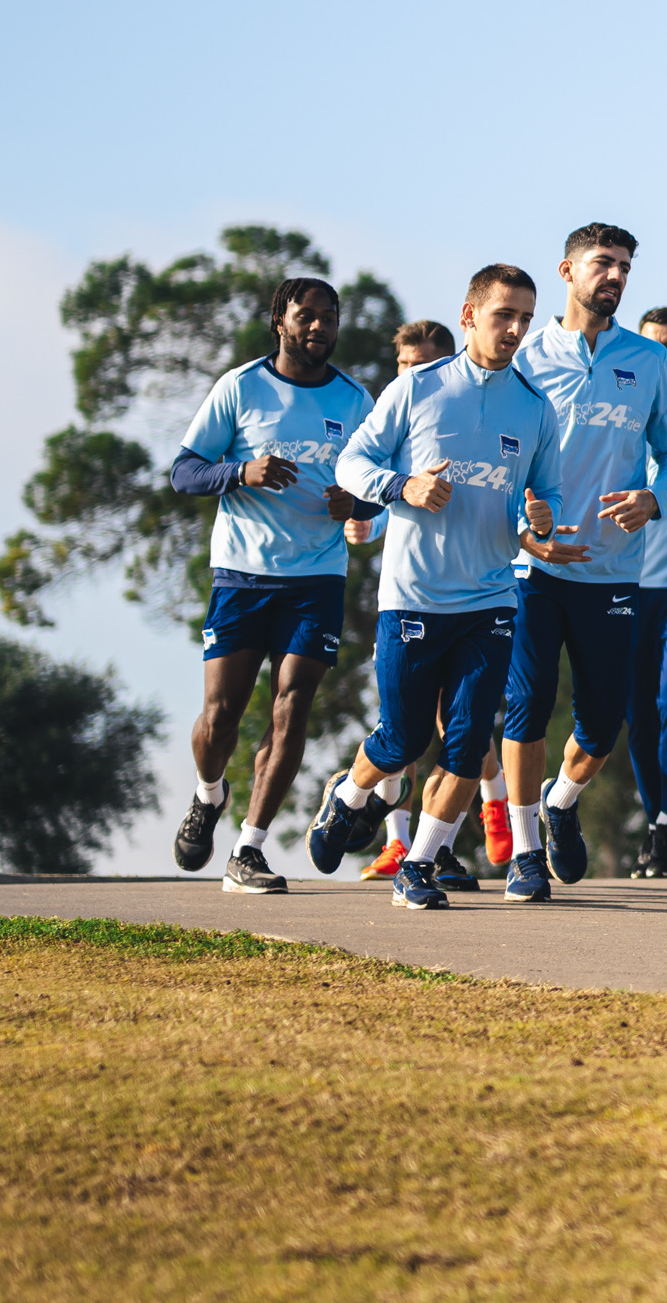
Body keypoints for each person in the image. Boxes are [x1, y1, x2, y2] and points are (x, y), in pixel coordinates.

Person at [306, 268, 578, 909]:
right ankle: (348, 794)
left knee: (465, 743)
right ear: (469, 314)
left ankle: (418, 865)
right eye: (503, 315)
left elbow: (551, 489)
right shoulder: (417, 389)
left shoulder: (536, 408)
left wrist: (540, 515)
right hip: (413, 597)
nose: (515, 329)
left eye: (524, 318)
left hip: (490, 600)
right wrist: (403, 487)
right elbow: (351, 462)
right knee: (401, 739)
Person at [494, 223, 667, 903]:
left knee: (604, 722)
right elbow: (498, 450)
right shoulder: (526, 355)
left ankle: (561, 800)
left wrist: (654, 498)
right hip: (533, 569)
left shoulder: (649, 359)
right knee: (525, 704)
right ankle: (524, 851)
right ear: (567, 271)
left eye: (625, 266)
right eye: (603, 263)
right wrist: (524, 528)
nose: (615, 275)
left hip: (612, 571)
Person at [161, 277, 378, 894]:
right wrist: (242, 471)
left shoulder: (356, 402)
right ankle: (209, 796)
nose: (317, 327)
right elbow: (184, 471)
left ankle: (248, 849)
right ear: (278, 321)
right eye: (305, 316)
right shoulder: (241, 387)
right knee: (220, 715)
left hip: (317, 579)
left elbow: (382, 492)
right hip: (242, 576)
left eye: (328, 317)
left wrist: (359, 506)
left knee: (293, 704)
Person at [592, 305, 667, 874]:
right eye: (654, 342)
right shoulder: (626, 402)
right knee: (634, 709)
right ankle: (658, 815)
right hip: (629, 580)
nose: (664, 352)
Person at [359, 319, 456, 885]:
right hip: (405, 595)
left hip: (473, 594)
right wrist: (361, 528)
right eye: (404, 365)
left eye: (425, 366)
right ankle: (399, 841)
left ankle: (441, 841)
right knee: (404, 728)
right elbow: (367, 496)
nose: (414, 375)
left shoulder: (457, 412)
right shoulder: (390, 416)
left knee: (459, 726)